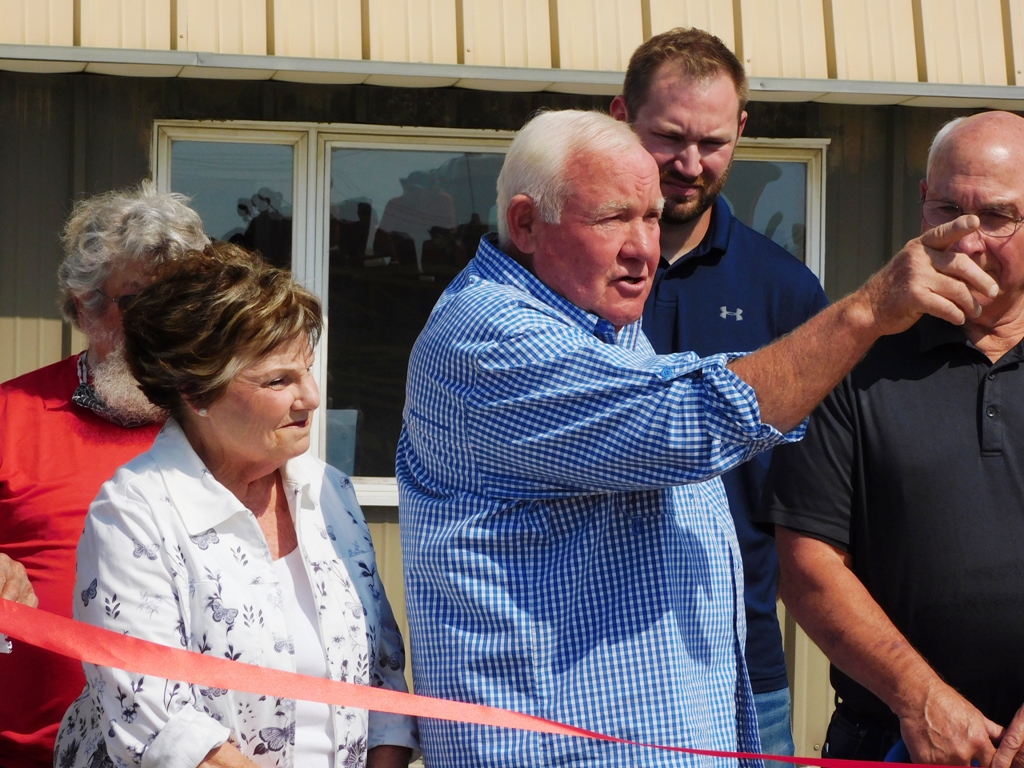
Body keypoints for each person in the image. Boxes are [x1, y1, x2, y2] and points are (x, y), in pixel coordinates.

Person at [397, 108, 996, 767]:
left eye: (652, 218)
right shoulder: (490, 338)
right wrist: (868, 310)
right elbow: (692, 421)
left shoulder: (600, 320)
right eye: (612, 219)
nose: (643, 249)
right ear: (525, 224)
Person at [54, 243, 417, 768]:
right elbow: (166, 734)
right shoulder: (134, 514)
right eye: (279, 380)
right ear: (195, 391)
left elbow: (382, 685)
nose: (311, 397)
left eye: (307, 370)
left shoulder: (328, 493)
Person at [759, 110, 1024, 768]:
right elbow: (807, 561)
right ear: (921, 201)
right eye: (947, 209)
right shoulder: (854, 356)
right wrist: (919, 696)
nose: (966, 241)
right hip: (892, 740)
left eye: (997, 216)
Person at [610, 28, 828, 759]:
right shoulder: (562, 278)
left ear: (741, 130)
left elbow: (810, 501)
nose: (690, 164)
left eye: (713, 142)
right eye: (669, 138)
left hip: (740, 667)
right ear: (620, 116)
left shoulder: (784, 291)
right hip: (584, 660)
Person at [0, 183, 207, 768]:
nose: (167, 322)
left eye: (182, 300)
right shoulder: (11, 415)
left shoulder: (228, 422)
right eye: (140, 300)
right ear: (85, 305)